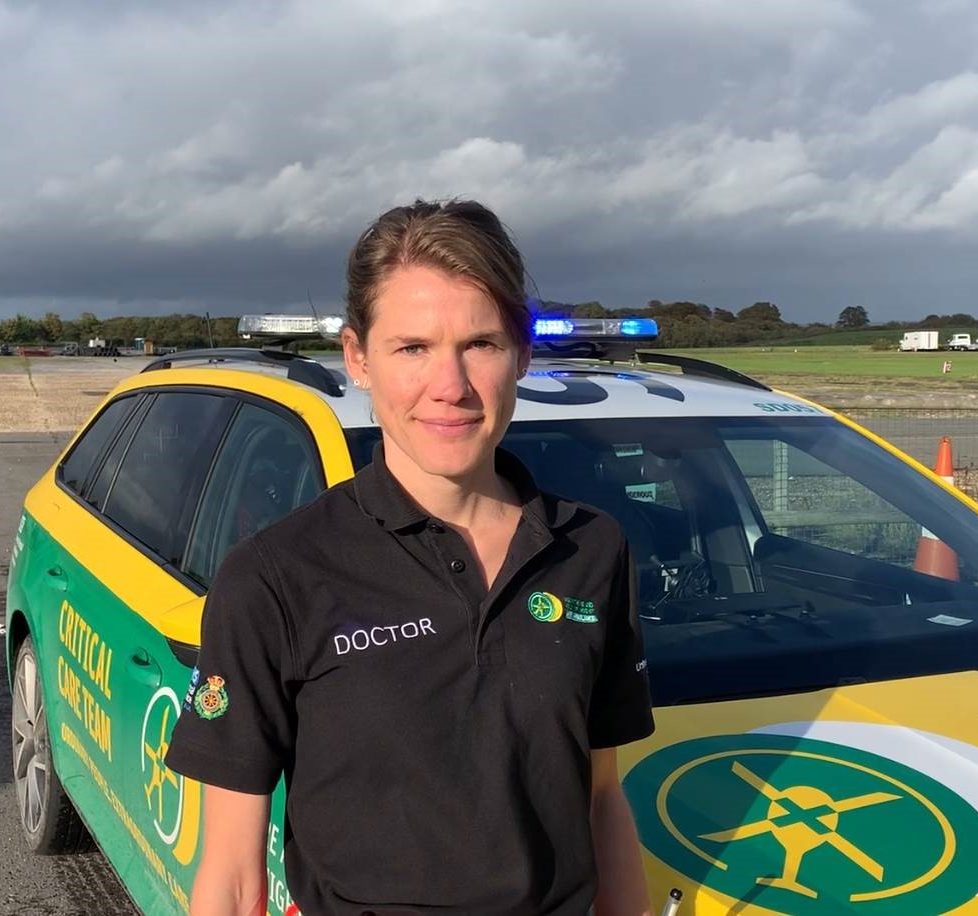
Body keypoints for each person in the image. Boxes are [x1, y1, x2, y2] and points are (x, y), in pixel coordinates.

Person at [166, 199, 654, 915]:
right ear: (358, 357)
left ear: (520, 351)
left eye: (480, 344)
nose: (450, 387)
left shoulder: (592, 551)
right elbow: (235, 876)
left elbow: (603, 797)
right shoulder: (276, 576)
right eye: (413, 348)